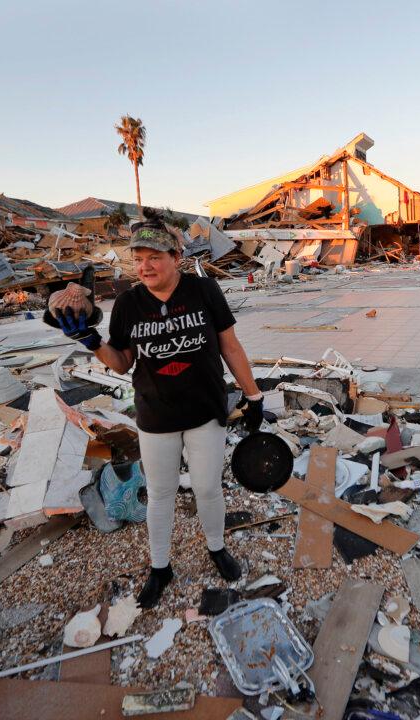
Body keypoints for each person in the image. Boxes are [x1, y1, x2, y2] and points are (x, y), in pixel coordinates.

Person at [46, 211, 264, 609]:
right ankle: (160, 567)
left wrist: (253, 395)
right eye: (138, 258)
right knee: (161, 493)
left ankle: (216, 548)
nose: (145, 266)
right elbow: (122, 362)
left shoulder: (204, 291)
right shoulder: (129, 303)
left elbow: (230, 347)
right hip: (156, 415)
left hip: (205, 411)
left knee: (207, 487)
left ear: (175, 257)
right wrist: (91, 341)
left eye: (154, 257)